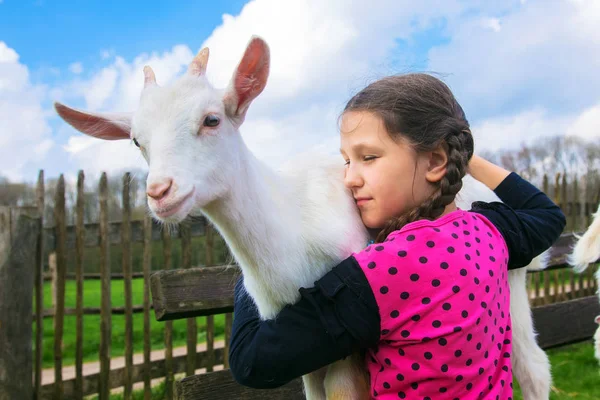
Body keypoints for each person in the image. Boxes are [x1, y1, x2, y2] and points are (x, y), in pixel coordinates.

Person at [228, 73, 566, 399]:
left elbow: (252, 361)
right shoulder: (488, 232)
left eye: (368, 158)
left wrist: (254, 249)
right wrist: (465, 156)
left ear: (435, 161)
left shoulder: (380, 274)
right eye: (347, 161)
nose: (349, 178)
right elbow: (546, 215)